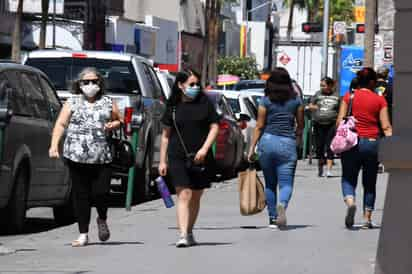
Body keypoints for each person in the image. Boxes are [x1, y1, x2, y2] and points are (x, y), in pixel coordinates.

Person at [49, 68, 122, 246]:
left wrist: (114, 124)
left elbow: (119, 120)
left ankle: (102, 218)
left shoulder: (108, 102)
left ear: (100, 83)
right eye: (86, 82)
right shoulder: (72, 102)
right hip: (76, 156)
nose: (90, 85)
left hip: (102, 156)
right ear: (79, 84)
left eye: (94, 81)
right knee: (81, 195)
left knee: (101, 192)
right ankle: (83, 233)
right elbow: (61, 123)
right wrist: (54, 145)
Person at [159, 69, 219, 247]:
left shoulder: (205, 104)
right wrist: (162, 161)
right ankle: (183, 234)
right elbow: (165, 136)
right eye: (191, 84)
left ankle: (190, 230)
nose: (195, 87)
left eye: (197, 84)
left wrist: (205, 149)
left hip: (201, 157)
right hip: (177, 155)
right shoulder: (173, 107)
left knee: (196, 195)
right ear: (180, 85)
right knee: (184, 194)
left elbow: (214, 127)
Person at [248, 68, 304, 229]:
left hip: (267, 142)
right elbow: (300, 125)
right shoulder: (296, 101)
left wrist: (252, 148)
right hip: (287, 143)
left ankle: (273, 218)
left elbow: (259, 126)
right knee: (286, 184)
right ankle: (282, 204)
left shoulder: (265, 101)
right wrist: (298, 141)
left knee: (270, 184)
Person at [337, 68, 392, 229]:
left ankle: (350, 202)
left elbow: (339, 121)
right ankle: (367, 218)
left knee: (348, 177)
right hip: (372, 142)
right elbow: (386, 126)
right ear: (373, 82)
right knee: (369, 182)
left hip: (351, 142)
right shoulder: (379, 100)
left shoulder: (349, 97)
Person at [307, 77, 340, 178]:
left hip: (331, 124)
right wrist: (314, 107)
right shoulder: (317, 94)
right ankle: (320, 168)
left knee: (330, 146)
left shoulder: (336, 96)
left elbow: (340, 109)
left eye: (324, 85)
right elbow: (310, 105)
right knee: (320, 147)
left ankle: (329, 170)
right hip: (319, 123)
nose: (322, 87)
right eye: (321, 85)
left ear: (330, 86)